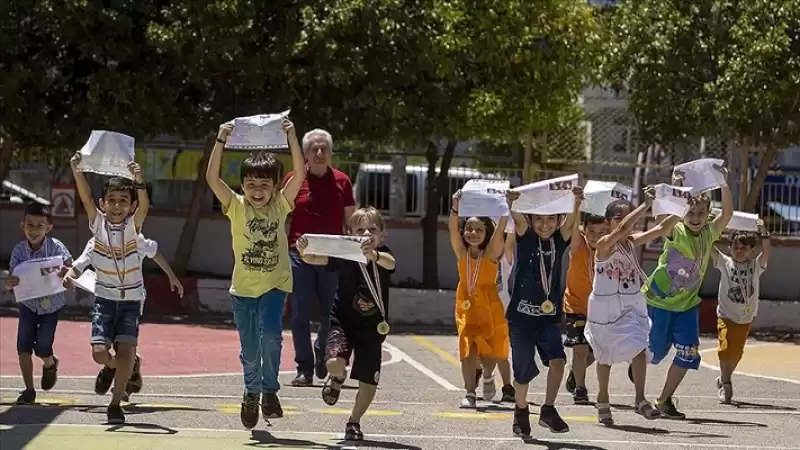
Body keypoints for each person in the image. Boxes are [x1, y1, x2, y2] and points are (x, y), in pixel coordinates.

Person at [205, 117, 305, 429]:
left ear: (276, 186)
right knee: (250, 350)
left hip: (275, 286)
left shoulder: (281, 205)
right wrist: (221, 140)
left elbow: (300, 173)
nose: (257, 190)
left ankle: (269, 392)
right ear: (242, 186)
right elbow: (211, 178)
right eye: (251, 185)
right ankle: (251, 392)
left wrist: (292, 135)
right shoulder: (235, 206)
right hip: (243, 291)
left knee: (272, 337)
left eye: (264, 185)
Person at [296, 207, 395, 441]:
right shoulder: (345, 254)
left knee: (369, 383)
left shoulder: (383, 255)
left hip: (371, 328)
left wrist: (375, 256)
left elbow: (391, 264)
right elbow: (315, 258)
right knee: (333, 363)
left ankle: (354, 421)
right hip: (342, 321)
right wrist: (303, 251)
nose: (366, 234)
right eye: (360, 230)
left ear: (383, 234)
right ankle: (337, 378)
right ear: (349, 233)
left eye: (373, 229)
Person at [642, 165, 733, 419]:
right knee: (655, 353)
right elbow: (661, 219)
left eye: (700, 213)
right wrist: (675, 190)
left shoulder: (710, 232)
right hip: (660, 302)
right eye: (690, 212)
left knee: (687, 352)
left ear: (707, 215)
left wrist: (723, 183)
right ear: (683, 214)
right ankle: (637, 363)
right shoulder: (676, 229)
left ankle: (664, 399)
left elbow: (728, 213)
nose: (695, 217)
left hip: (687, 305)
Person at [69, 152, 150, 424]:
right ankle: (117, 368)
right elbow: (85, 198)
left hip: (130, 301)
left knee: (126, 349)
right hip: (104, 299)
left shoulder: (133, 226)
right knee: (99, 353)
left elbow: (146, 206)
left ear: (131, 206)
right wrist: (77, 170)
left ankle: (115, 404)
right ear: (103, 204)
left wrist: (139, 180)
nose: (117, 206)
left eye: (123, 201)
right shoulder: (98, 224)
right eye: (111, 201)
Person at [584, 191, 677, 425]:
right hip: (605, 309)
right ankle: (603, 397)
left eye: (627, 217)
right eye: (618, 217)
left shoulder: (630, 243)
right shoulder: (604, 244)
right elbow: (624, 229)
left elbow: (661, 229)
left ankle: (640, 400)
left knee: (639, 347)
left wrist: (681, 207)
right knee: (604, 357)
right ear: (608, 222)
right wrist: (646, 203)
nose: (626, 222)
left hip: (630, 305)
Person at [68, 233, 184, 401]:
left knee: (125, 344)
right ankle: (114, 365)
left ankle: (121, 388)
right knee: (104, 347)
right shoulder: (97, 240)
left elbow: (155, 253)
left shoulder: (136, 239)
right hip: (106, 299)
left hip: (132, 300)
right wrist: (69, 274)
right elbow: (79, 265)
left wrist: (171, 276)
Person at [506, 184, 582, 436]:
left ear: (558, 219)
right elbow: (516, 217)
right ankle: (521, 410)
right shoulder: (525, 236)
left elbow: (571, 222)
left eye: (551, 219)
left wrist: (576, 201)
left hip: (549, 317)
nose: (545, 224)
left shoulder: (560, 240)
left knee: (559, 361)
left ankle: (548, 410)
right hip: (521, 317)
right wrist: (513, 201)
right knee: (522, 373)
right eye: (539, 219)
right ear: (531, 219)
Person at [283, 128, 356, 386]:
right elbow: (282, 216)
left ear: (331, 152)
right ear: (304, 154)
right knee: (299, 314)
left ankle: (323, 353)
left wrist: (355, 250)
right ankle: (304, 368)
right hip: (299, 256)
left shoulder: (342, 181)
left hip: (333, 258)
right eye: (314, 148)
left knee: (330, 314)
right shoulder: (293, 179)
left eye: (324, 148)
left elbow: (351, 221)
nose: (319, 153)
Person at [5, 203, 72, 404]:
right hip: (28, 305)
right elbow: (11, 278)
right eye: (29, 225)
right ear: (22, 226)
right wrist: (10, 283)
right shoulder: (18, 251)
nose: (34, 229)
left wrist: (66, 273)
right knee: (23, 348)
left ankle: (50, 364)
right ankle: (28, 389)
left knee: (43, 347)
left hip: (51, 306)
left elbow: (71, 267)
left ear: (48, 227)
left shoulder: (56, 247)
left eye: (39, 225)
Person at [448, 190, 511, 408]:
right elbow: (452, 231)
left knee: (490, 352)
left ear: (487, 233)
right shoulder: (462, 254)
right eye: (469, 229)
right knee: (468, 348)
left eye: (478, 229)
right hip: (466, 304)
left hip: (488, 303)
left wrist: (506, 208)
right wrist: (455, 207)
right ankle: (469, 393)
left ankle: (487, 374)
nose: (472, 233)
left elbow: (502, 229)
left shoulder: (491, 254)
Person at [711, 222, 771, 404]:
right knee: (725, 348)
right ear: (729, 247)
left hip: (745, 317)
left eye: (744, 248)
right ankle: (726, 383)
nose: (739, 251)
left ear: (752, 249)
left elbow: (766, 252)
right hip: (726, 314)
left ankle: (722, 378)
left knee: (736, 353)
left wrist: (765, 235)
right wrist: (711, 227)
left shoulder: (756, 265)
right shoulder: (724, 262)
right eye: (735, 247)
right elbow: (708, 246)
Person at [562, 213, 607, 405]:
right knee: (579, 350)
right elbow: (571, 224)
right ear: (584, 230)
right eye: (591, 232)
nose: (596, 237)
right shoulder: (579, 245)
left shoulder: (610, 248)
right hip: (575, 305)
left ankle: (575, 372)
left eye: (602, 232)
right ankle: (580, 388)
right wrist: (576, 204)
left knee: (595, 354)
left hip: (600, 309)